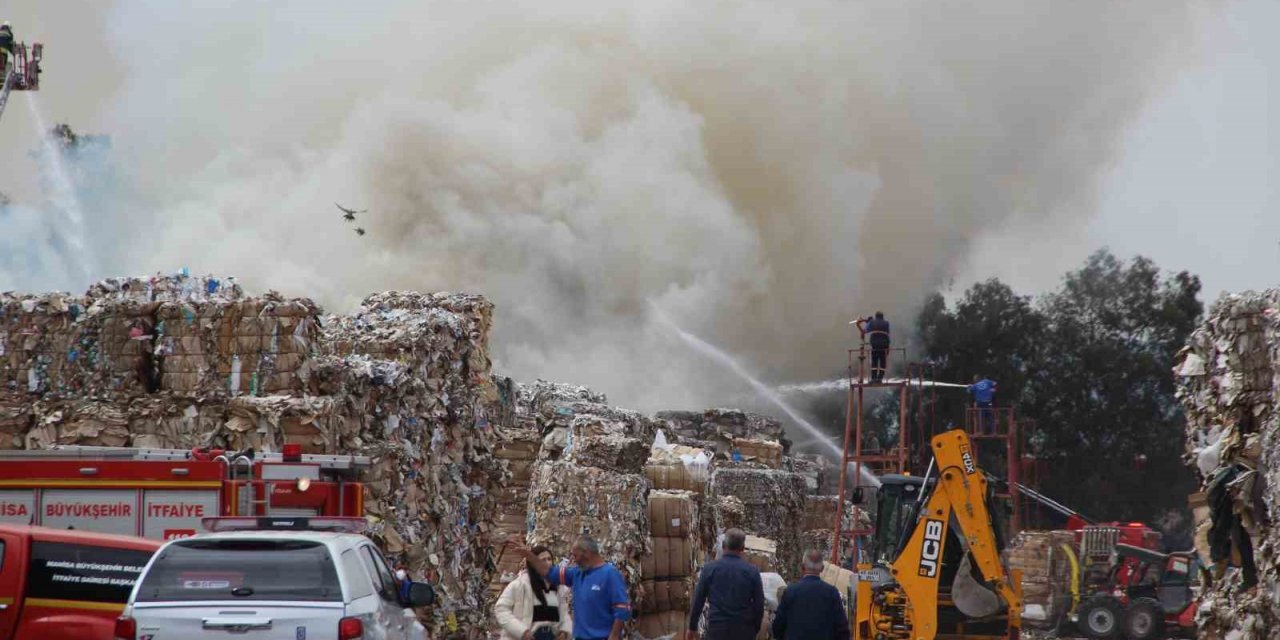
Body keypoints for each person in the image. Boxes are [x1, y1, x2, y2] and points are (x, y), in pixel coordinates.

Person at [511, 535, 630, 640]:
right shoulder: (577, 573)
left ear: (587, 553)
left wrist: (614, 636)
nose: (573, 559)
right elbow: (548, 572)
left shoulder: (610, 574)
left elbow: (622, 608)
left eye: (575, 555)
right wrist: (529, 555)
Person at [686, 528, 764, 640]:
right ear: (742, 548)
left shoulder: (710, 569)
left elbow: (698, 600)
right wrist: (754, 629)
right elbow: (759, 605)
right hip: (743, 632)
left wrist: (692, 627)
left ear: (723, 546)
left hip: (716, 631)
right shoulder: (752, 572)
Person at [494, 545, 572, 640]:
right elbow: (501, 609)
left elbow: (564, 613)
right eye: (543, 560)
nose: (547, 563)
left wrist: (564, 631)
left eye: (549, 559)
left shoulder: (558, 587)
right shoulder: (519, 585)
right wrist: (522, 632)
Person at [771, 550, 851, 640]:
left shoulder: (790, 591)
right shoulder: (832, 593)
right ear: (822, 568)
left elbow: (778, 626)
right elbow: (842, 629)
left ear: (802, 567)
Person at [861, 312, 891, 383]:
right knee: (882, 362)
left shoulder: (872, 322)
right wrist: (888, 346)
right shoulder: (886, 323)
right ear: (882, 316)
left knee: (874, 361)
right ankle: (880, 378)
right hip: (884, 345)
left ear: (876, 316)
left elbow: (865, 330)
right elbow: (888, 335)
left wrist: (868, 322)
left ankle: (873, 378)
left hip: (874, 345)